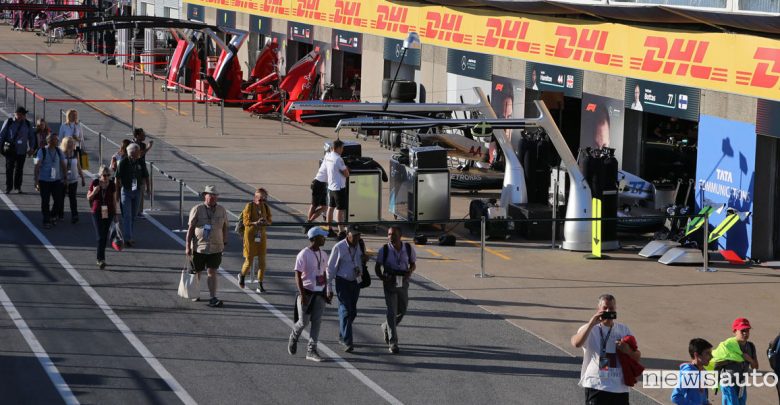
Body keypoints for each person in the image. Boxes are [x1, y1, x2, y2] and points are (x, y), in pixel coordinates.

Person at [570, 294, 641, 405]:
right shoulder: (589, 328)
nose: (608, 310)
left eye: (611, 308)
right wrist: (591, 323)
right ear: (599, 309)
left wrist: (628, 350)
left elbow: (637, 356)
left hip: (619, 387)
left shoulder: (623, 329)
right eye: (605, 308)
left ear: (615, 309)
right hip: (596, 384)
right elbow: (576, 343)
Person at [288, 227, 332, 362]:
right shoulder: (303, 254)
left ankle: (311, 350)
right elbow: (297, 274)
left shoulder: (323, 254)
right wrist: (302, 295)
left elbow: (324, 273)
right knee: (303, 322)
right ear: (314, 238)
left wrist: (328, 290)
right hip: (307, 293)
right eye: (322, 237)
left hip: (320, 294)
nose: (325, 239)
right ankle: (294, 336)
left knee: (317, 322)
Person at [185, 185, 229, 307]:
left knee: (212, 272)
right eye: (210, 195)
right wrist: (187, 246)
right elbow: (190, 229)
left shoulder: (222, 210)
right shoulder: (197, 209)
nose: (213, 198)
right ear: (205, 195)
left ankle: (213, 297)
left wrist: (224, 242)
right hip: (199, 247)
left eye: (215, 195)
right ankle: (195, 293)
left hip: (216, 247)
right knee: (197, 272)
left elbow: (225, 226)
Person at [375, 225, 416, 354]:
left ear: (400, 236)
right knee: (391, 311)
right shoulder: (384, 249)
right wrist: (382, 277)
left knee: (402, 310)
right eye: (388, 234)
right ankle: (393, 342)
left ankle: (386, 326)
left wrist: (410, 271)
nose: (390, 237)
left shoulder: (408, 248)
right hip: (390, 282)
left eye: (393, 235)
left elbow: (413, 264)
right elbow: (377, 267)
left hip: (403, 282)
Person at [327, 226, 368, 353]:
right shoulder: (339, 247)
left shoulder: (359, 245)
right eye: (354, 235)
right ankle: (347, 341)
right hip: (342, 282)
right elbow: (330, 269)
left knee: (353, 312)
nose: (357, 238)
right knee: (345, 311)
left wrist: (364, 261)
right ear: (347, 235)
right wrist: (329, 288)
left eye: (358, 235)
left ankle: (342, 334)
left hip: (355, 281)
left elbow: (359, 259)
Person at [707, 318, 758, 405]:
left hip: (742, 384)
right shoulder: (727, 347)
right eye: (742, 331)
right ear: (735, 331)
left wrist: (749, 359)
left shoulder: (751, 346)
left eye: (747, 330)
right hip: (728, 383)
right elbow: (715, 361)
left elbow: (755, 366)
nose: (745, 333)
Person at [114, 143, 149, 247]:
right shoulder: (123, 162)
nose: (139, 153)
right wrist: (116, 194)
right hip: (126, 190)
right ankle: (128, 238)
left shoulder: (140, 162)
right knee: (127, 215)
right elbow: (117, 178)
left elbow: (146, 175)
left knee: (133, 215)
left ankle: (128, 234)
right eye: (138, 151)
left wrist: (148, 188)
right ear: (132, 153)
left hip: (137, 190)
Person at [238, 188, 272, 293]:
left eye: (264, 199)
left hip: (261, 235)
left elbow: (270, 220)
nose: (262, 201)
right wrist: (255, 222)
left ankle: (260, 284)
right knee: (249, 260)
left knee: (262, 262)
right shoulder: (249, 206)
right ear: (255, 197)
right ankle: (242, 276)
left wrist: (265, 222)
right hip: (250, 235)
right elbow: (246, 221)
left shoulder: (265, 207)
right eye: (260, 199)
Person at [87, 165, 118, 269]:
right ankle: (100, 259)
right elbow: (88, 197)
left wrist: (116, 214)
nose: (106, 177)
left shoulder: (112, 184)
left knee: (104, 235)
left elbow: (114, 200)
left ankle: (102, 258)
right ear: (100, 175)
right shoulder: (95, 183)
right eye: (104, 175)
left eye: (108, 175)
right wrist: (95, 191)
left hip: (108, 211)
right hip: (97, 211)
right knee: (100, 236)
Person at [33, 133, 66, 229]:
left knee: (59, 200)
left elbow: (63, 165)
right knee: (45, 201)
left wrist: (65, 178)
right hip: (44, 181)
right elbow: (37, 166)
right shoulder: (42, 151)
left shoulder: (59, 151)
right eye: (54, 140)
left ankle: (52, 215)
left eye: (57, 140)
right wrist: (36, 180)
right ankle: (46, 220)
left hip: (56, 180)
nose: (56, 141)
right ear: (49, 141)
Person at [1, 106, 35, 193]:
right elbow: (2, 135)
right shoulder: (9, 122)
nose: (22, 116)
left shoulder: (27, 124)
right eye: (20, 114)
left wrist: (31, 148)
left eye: (23, 115)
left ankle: (18, 187)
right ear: (16, 114)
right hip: (10, 150)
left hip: (22, 151)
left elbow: (31, 137)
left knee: (19, 170)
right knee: (9, 169)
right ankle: (9, 187)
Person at [671, 338, 713, 405]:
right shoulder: (689, 373)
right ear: (696, 355)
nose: (711, 357)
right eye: (707, 353)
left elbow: (701, 395)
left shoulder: (703, 371)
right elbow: (676, 397)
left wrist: (706, 403)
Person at [324, 139, 349, 237]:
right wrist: (347, 169)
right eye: (342, 148)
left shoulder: (328, 156)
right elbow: (346, 174)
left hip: (331, 186)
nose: (342, 150)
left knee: (330, 208)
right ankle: (341, 231)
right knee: (340, 209)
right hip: (339, 187)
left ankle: (329, 229)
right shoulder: (339, 159)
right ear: (338, 148)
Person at [60, 136, 85, 224]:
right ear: (65, 144)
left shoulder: (75, 153)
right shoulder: (61, 153)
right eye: (69, 143)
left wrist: (82, 177)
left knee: (73, 198)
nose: (71, 144)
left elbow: (78, 165)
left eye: (72, 143)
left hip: (73, 179)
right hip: (63, 180)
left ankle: (75, 215)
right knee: (61, 198)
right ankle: (60, 214)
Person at [132, 128, 153, 217]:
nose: (144, 136)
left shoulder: (143, 145)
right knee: (134, 190)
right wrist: (149, 147)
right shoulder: (132, 144)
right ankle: (134, 210)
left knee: (141, 190)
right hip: (134, 170)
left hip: (142, 169)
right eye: (142, 134)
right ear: (137, 136)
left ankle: (140, 211)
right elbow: (139, 155)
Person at [305, 158, 328, 226]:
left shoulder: (329, 158)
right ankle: (308, 222)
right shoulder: (331, 160)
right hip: (318, 184)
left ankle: (310, 221)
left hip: (322, 184)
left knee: (324, 207)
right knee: (314, 205)